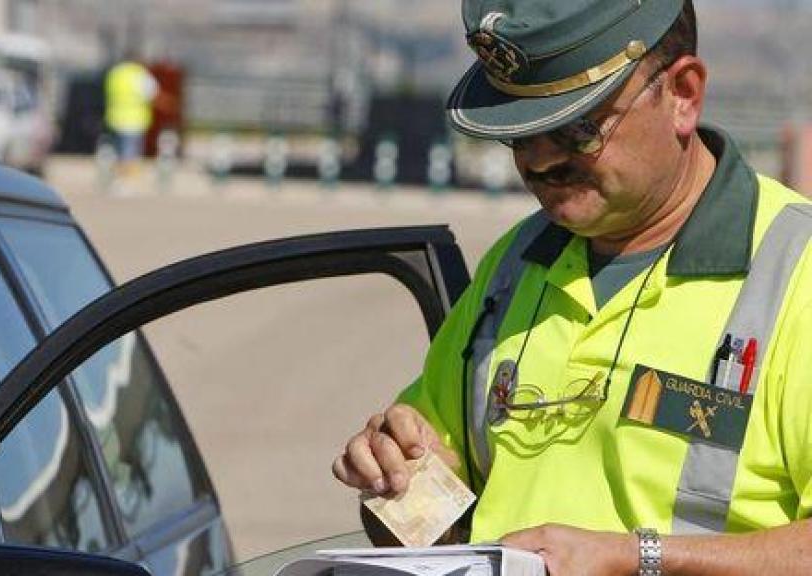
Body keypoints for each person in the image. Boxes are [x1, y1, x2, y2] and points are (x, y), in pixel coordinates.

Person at [333, 1, 812, 574]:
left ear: (683, 93)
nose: (539, 161)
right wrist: (395, 483)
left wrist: (640, 560)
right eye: (519, 135)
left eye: (575, 128)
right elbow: (432, 536)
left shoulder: (795, 274)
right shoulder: (514, 265)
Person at [104, 50, 159, 177]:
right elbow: (152, 93)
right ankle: (126, 176)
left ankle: (114, 174)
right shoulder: (139, 74)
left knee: (118, 149)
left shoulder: (116, 73)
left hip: (115, 117)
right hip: (134, 119)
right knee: (130, 150)